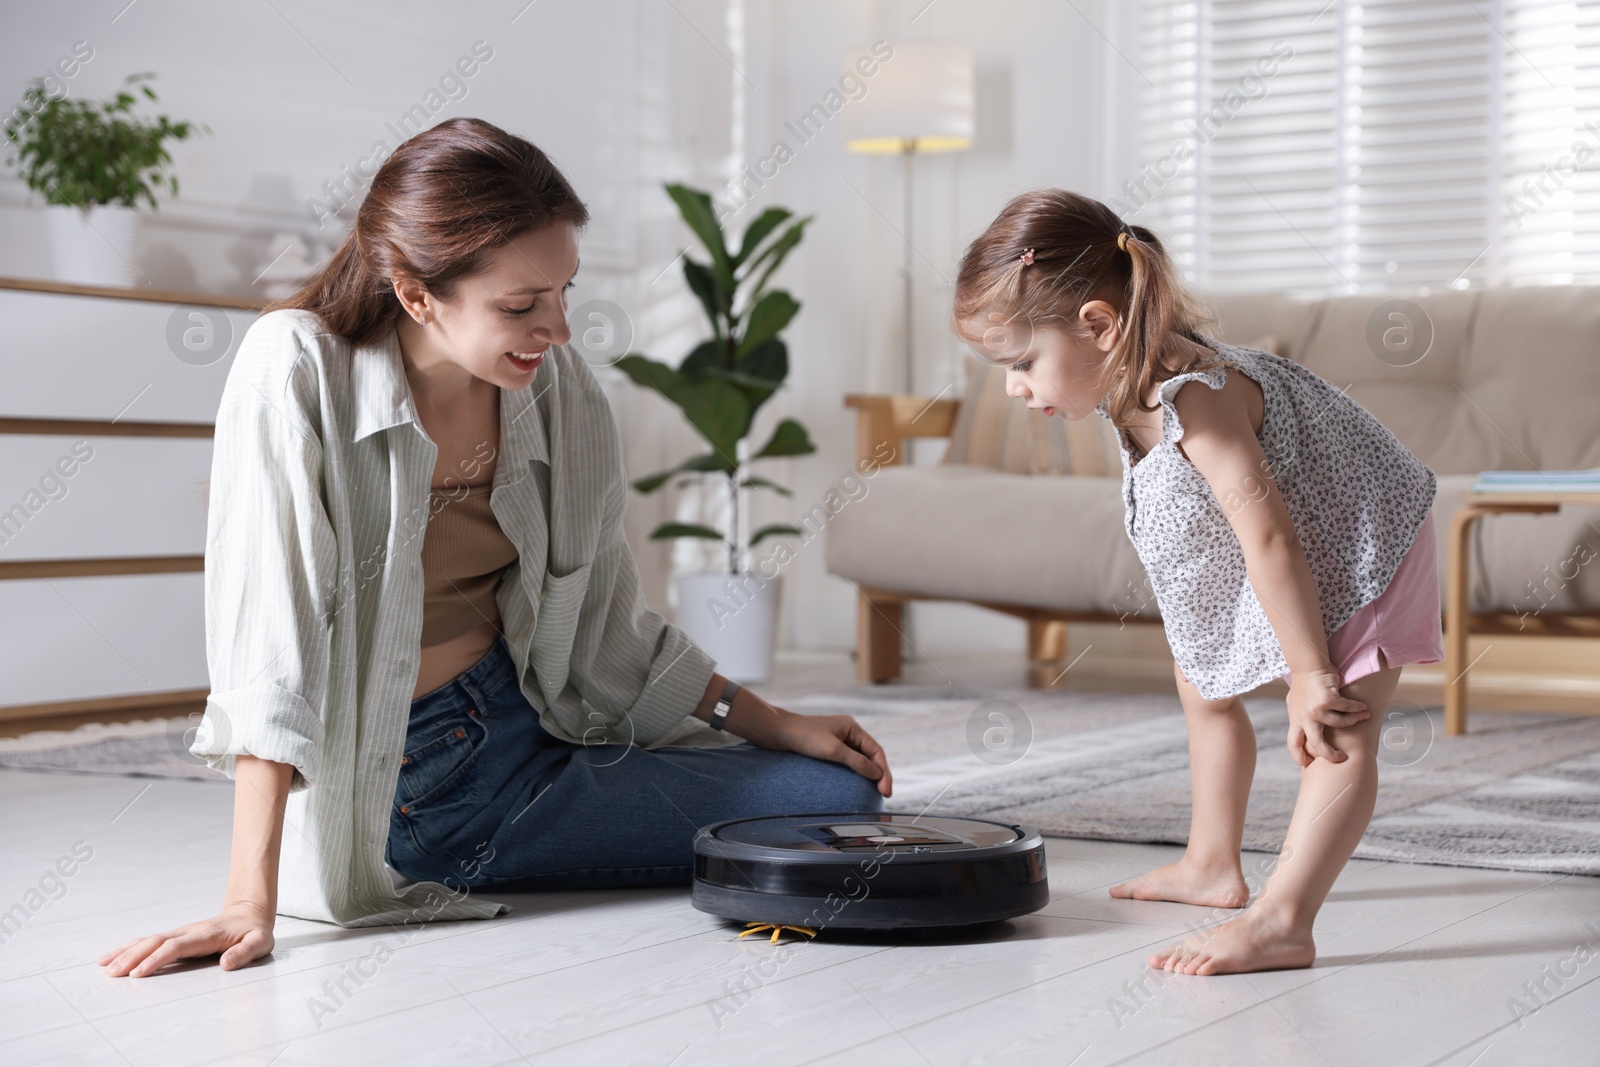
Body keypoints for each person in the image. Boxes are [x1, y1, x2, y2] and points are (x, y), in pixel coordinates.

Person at [98, 117, 890, 980]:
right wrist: (249, 898)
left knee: (835, 795)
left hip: (542, 717)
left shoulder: (555, 387)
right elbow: (270, 643)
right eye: (520, 306)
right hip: (427, 779)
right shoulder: (293, 369)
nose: (556, 328)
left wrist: (772, 721)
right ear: (416, 294)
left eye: (563, 293)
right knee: (820, 821)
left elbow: (607, 626)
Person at [951, 189, 1442, 976]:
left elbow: (1268, 535)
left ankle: (1284, 918)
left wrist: (1309, 674)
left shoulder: (1196, 397)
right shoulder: (1124, 387)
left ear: (1100, 326)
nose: (1014, 387)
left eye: (1021, 363)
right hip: (1300, 541)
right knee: (1201, 680)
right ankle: (1212, 863)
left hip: (1364, 543)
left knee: (1337, 728)